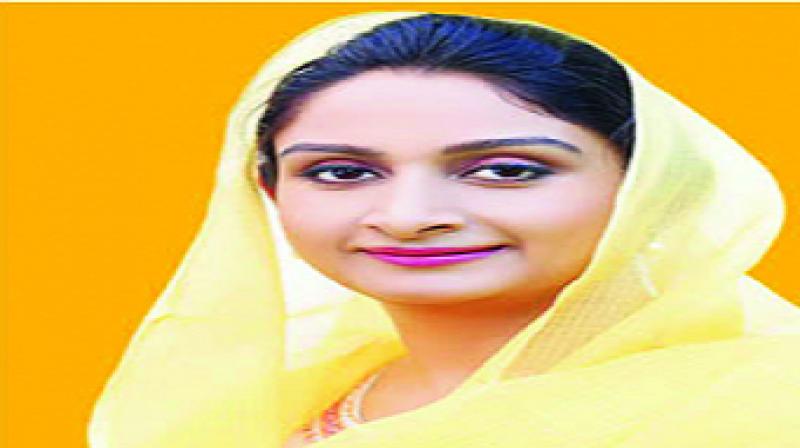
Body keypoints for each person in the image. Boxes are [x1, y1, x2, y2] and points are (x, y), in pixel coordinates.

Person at [88, 12, 800, 448]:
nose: (408, 216)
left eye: (506, 170)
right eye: (341, 172)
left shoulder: (760, 403)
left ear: (648, 185)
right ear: (271, 191)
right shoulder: (269, 400)